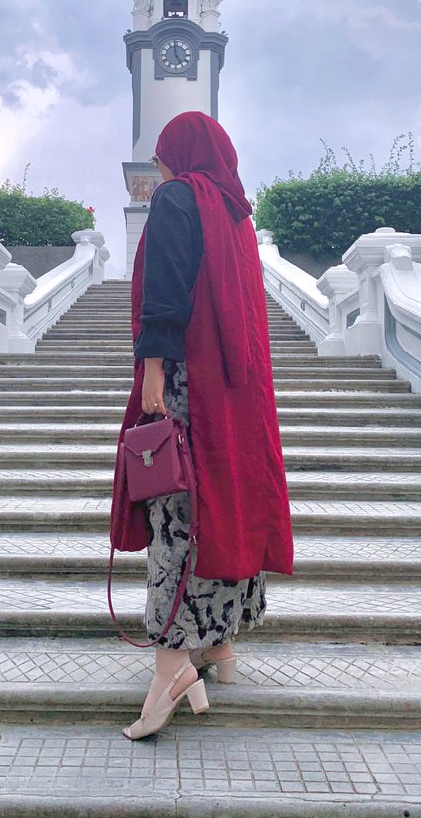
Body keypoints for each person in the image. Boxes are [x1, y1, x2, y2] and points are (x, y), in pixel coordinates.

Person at [110, 111, 294, 740]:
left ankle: (171, 669)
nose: (161, 168)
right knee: (228, 503)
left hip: (187, 386)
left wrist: (152, 373)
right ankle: (220, 648)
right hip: (236, 397)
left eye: (164, 157)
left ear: (179, 155)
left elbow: (165, 295)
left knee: (178, 516)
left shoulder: (176, 199)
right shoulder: (236, 215)